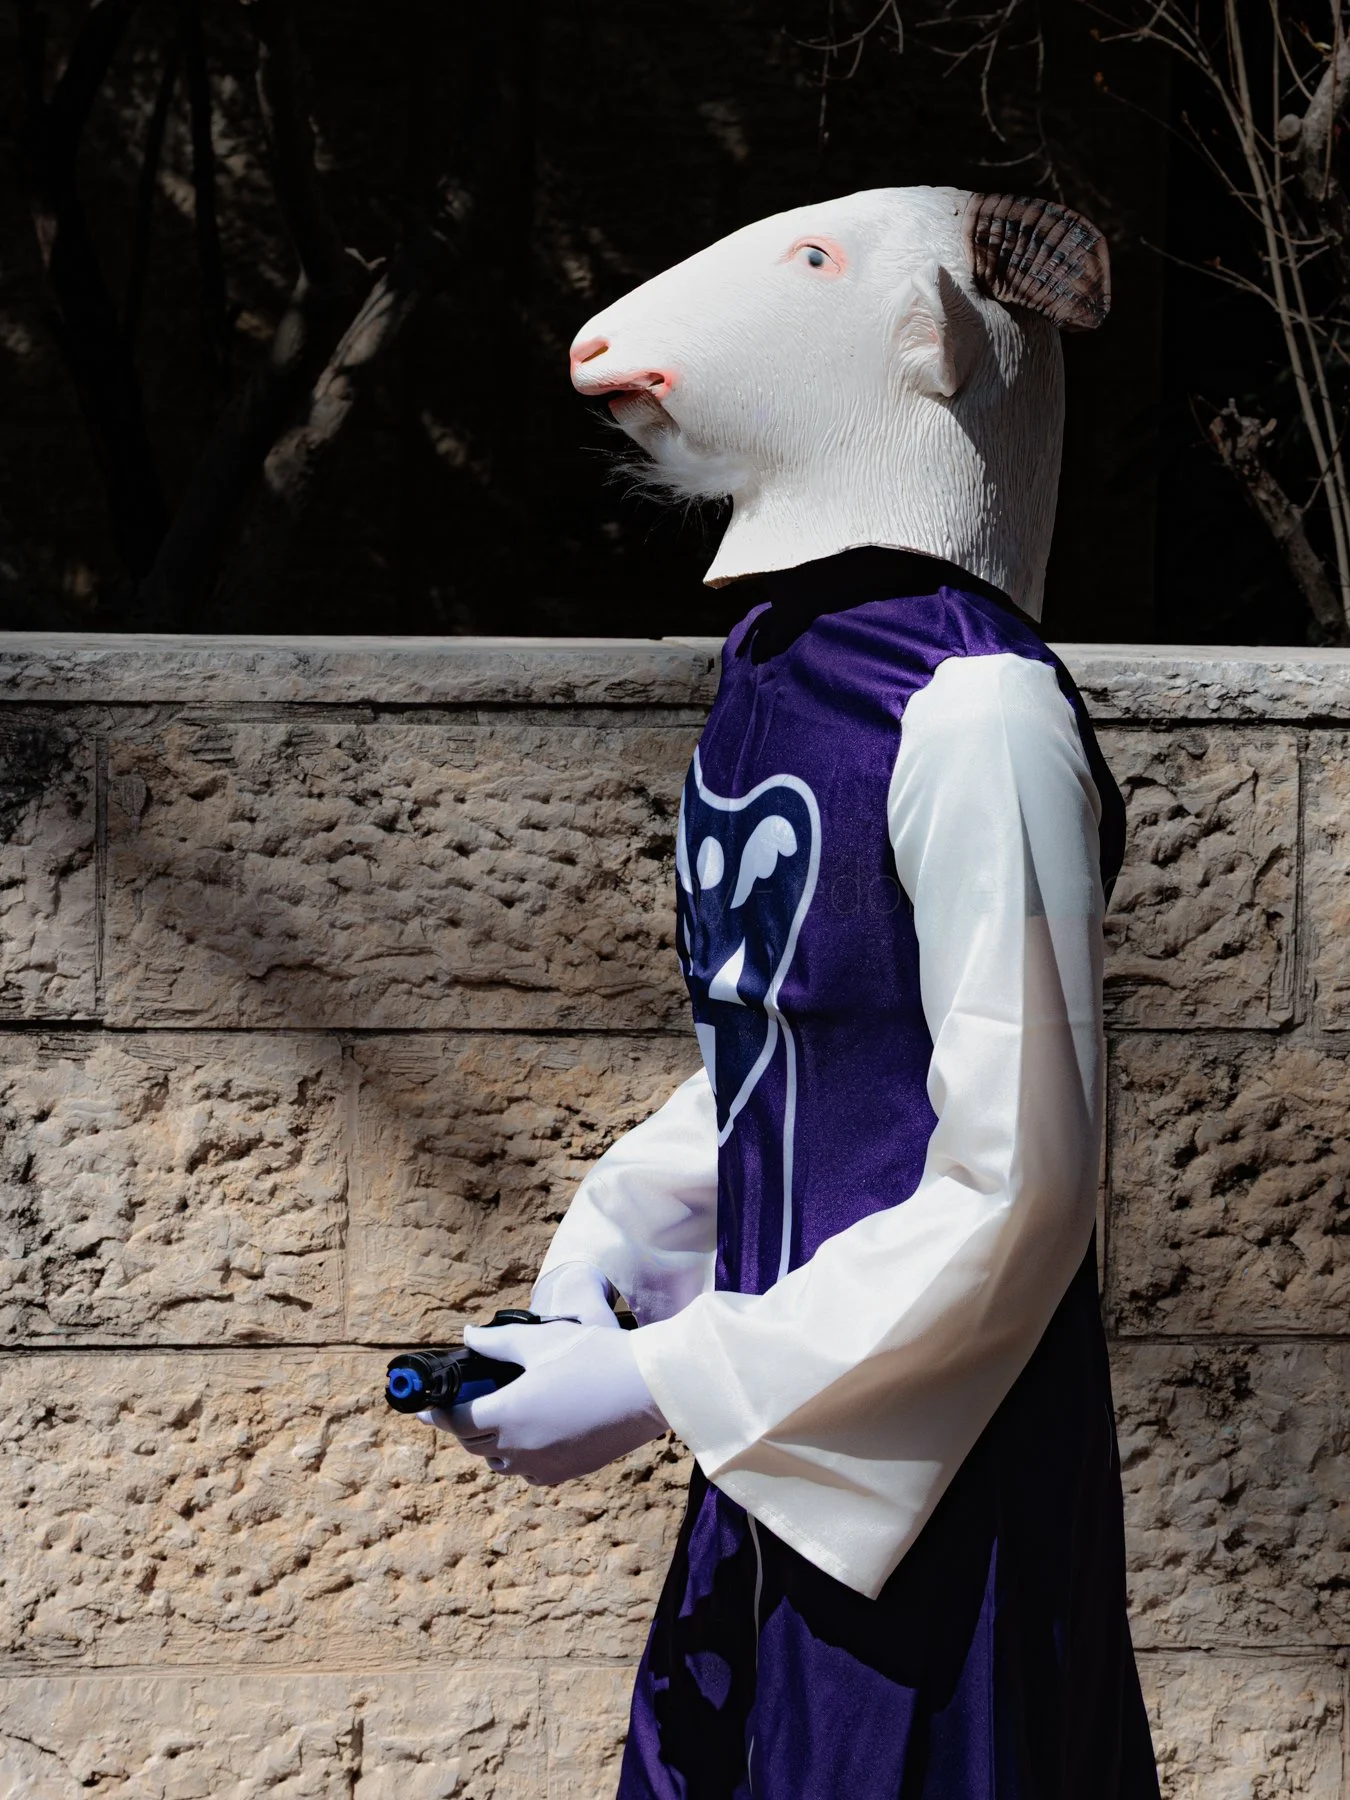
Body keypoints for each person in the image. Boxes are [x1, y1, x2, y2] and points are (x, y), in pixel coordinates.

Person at [426, 186, 1161, 1799]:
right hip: (772, 1463)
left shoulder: (973, 709)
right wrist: (607, 1256)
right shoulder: (778, 673)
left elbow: (1018, 1186)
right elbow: (797, 1032)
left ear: (930, 347)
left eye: (814, 265)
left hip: (927, 1486)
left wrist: (663, 1377)